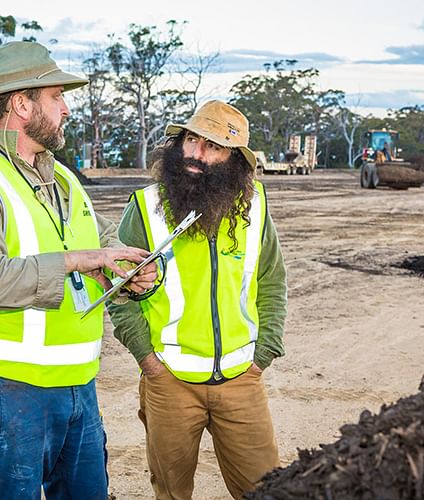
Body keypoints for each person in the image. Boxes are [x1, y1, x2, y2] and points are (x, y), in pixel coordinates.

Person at [0, 41, 157, 498]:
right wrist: (76, 261)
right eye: (57, 97)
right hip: (13, 393)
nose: (67, 109)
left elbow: (103, 242)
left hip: (80, 389)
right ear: (22, 104)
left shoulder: (65, 179)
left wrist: (132, 271)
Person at [109, 100, 287, 499]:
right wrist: (147, 360)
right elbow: (117, 289)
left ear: (235, 161)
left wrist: (263, 355)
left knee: (267, 490)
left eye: (212, 147)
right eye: (191, 140)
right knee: (171, 492)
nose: (196, 154)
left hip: (243, 379)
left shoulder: (255, 206)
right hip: (168, 381)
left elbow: (272, 279)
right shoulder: (146, 207)